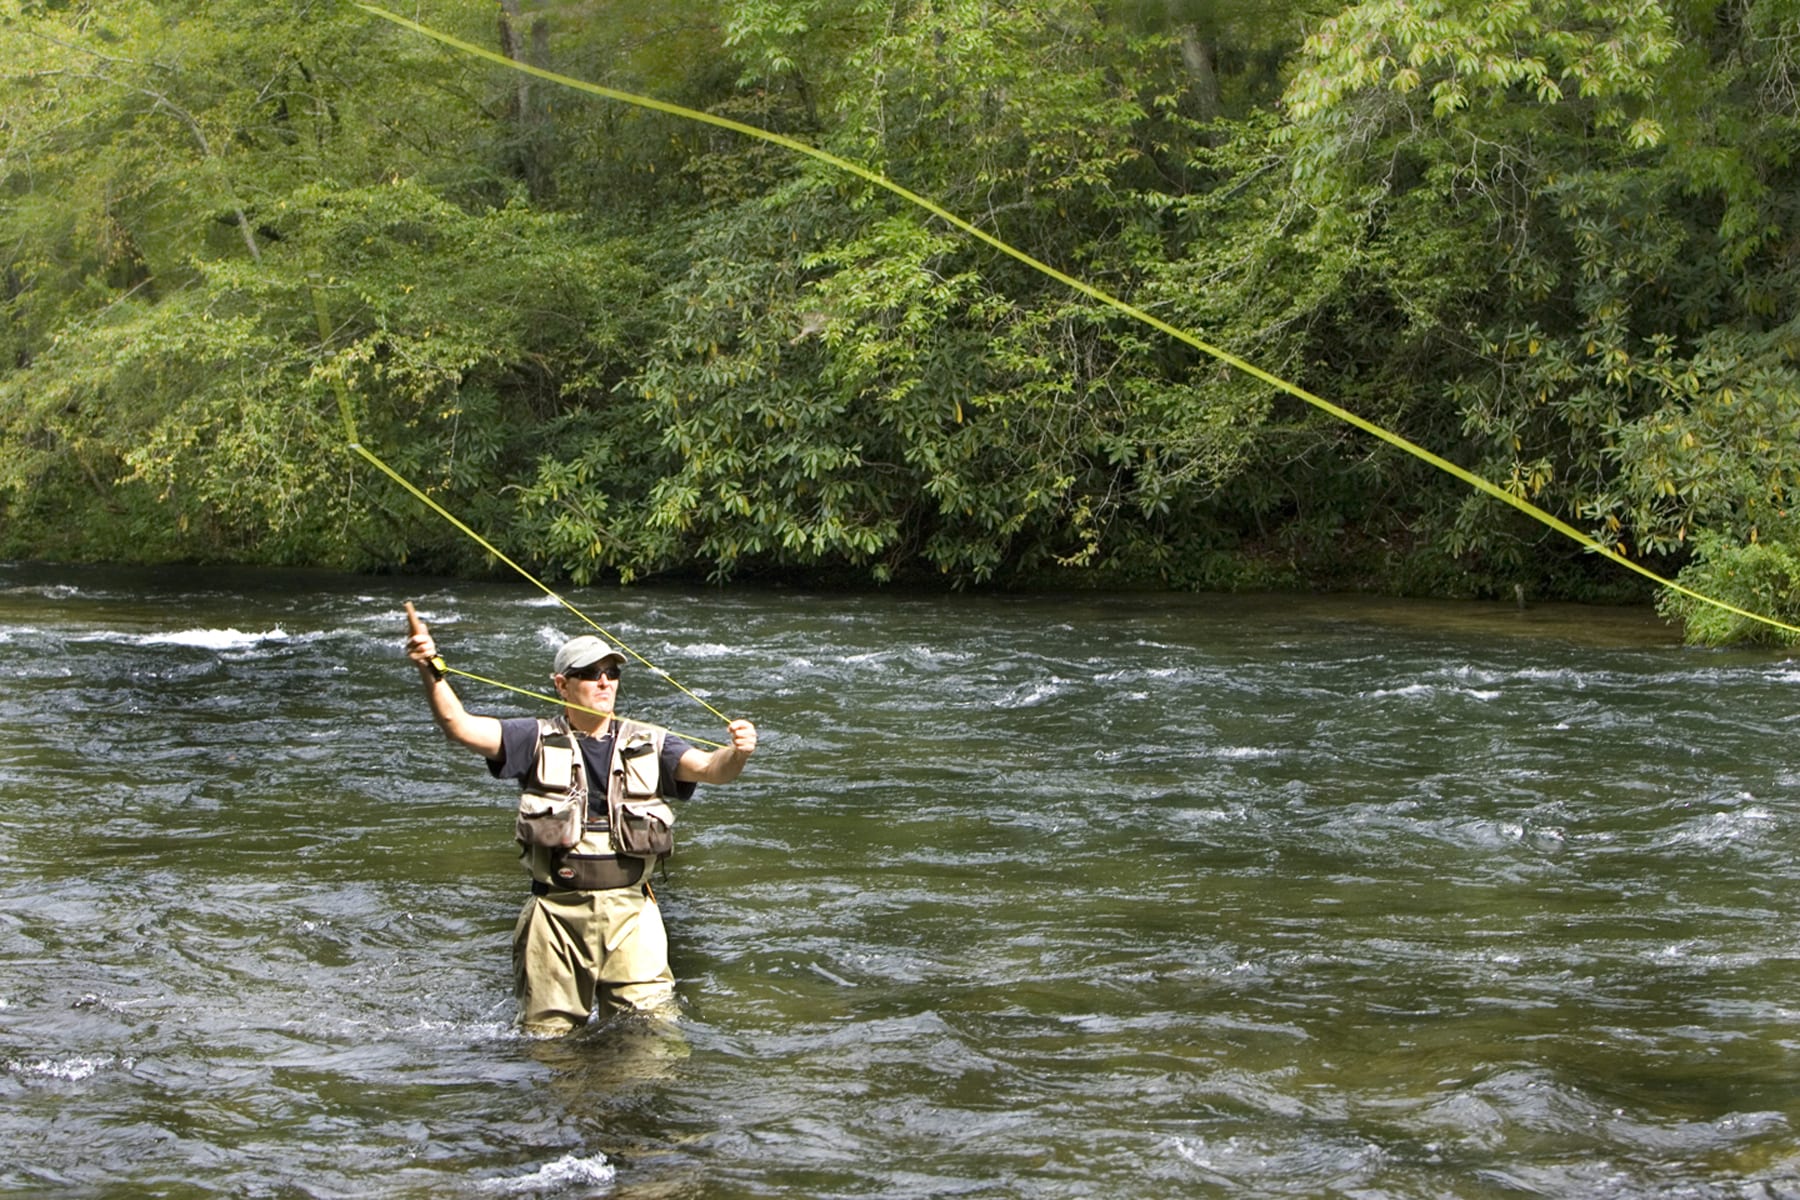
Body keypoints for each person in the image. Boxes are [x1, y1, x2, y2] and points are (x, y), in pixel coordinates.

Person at [405, 611, 757, 1036]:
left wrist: (737, 752)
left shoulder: (652, 742)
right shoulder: (531, 738)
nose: (604, 682)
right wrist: (431, 669)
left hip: (633, 914)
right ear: (562, 684)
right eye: (590, 674)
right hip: (554, 915)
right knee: (549, 1045)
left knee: (652, 1037)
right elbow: (458, 726)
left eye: (610, 672)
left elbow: (711, 769)